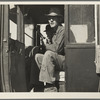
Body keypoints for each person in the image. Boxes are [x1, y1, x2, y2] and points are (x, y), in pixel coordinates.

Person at [35, 8, 65, 92]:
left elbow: (57, 49)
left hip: (65, 60)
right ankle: (38, 84)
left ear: (59, 19)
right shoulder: (54, 32)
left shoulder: (63, 31)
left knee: (48, 54)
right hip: (58, 59)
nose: (51, 20)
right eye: (49, 18)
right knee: (38, 56)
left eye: (54, 18)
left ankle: (50, 87)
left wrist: (45, 45)